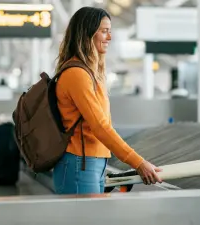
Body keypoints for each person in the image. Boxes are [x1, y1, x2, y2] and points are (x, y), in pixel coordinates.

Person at [52, 7, 162, 195]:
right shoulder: (77, 74)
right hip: (80, 163)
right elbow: (100, 126)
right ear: (86, 34)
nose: (109, 37)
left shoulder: (90, 74)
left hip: (91, 162)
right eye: (104, 31)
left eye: (110, 31)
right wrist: (138, 162)